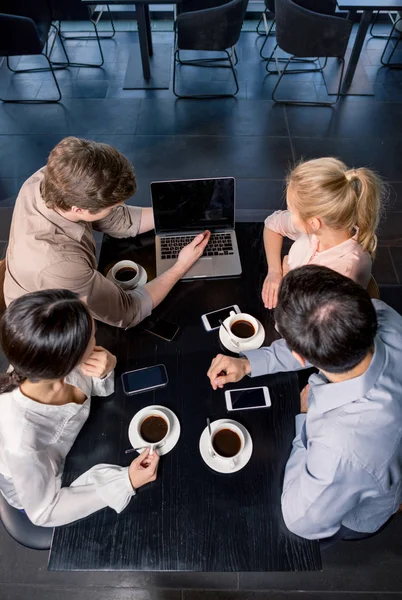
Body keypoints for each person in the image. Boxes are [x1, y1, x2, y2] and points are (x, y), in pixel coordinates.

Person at [207, 265, 402, 542]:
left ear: (298, 356)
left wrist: (304, 421)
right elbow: (328, 336)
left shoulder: (339, 450)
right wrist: (249, 362)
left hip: (360, 512)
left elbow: (300, 521)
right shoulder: (384, 316)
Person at [4, 137, 211, 328]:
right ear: (79, 209)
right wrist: (181, 265)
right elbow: (128, 311)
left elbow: (118, 221)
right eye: (112, 206)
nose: (118, 208)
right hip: (47, 329)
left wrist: (176, 213)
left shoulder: (51, 178)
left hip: (62, 283)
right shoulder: (60, 264)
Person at [0, 290, 159, 527]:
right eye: (93, 336)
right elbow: (43, 512)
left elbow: (94, 385)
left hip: (82, 444)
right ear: (68, 359)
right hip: (40, 489)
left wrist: (107, 366)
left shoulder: (45, 356)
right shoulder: (21, 441)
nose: (96, 338)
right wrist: (126, 481)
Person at [262, 157, 384, 309]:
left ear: (313, 223)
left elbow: (310, 317)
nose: (289, 214)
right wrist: (274, 271)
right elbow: (272, 224)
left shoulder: (347, 271)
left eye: (292, 210)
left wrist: (287, 275)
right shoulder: (323, 227)